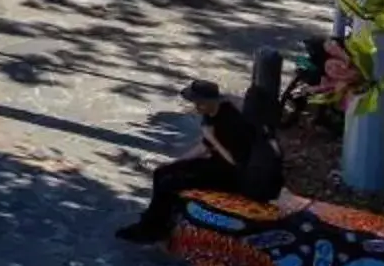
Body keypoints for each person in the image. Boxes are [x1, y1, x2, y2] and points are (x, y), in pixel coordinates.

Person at [116, 78, 277, 241]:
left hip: (231, 175)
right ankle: (155, 217)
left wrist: (213, 139)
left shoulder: (231, 121)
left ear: (208, 102)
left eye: (198, 103)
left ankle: (153, 229)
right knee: (162, 172)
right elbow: (204, 146)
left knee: (170, 182)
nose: (196, 107)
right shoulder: (211, 114)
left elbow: (235, 161)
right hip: (217, 164)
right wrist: (177, 162)